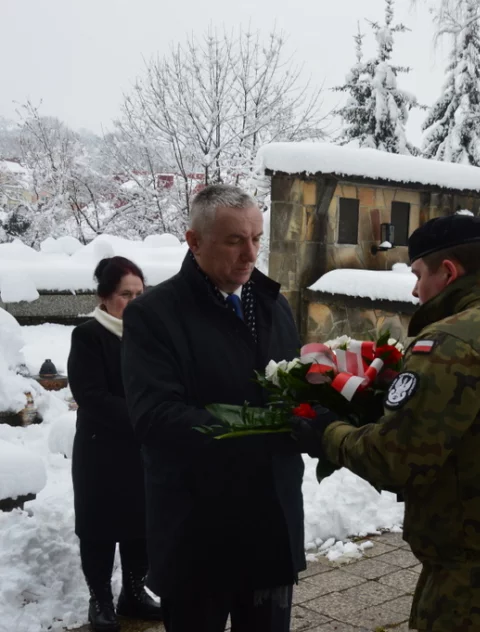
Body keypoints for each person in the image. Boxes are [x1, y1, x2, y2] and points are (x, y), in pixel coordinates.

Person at [293, 215, 480, 632]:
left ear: (447, 272)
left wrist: (325, 432)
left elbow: (396, 459)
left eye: (417, 274)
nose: (414, 289)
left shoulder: (451, 343)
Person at [122, 184, 305, 632]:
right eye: (234, 240)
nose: (250, 254)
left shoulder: (274, 305)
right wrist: (259, 430)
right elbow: (155, 416)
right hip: (198, 531)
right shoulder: (154, 313)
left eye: (257, 238)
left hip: (270, 524)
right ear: (194, 241)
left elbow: (293, 389)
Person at [68, 257, 160, 631]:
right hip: (101, 450)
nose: (134, 301)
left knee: (140, 524)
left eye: (140, 293)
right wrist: (145, 414)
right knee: (99, 528)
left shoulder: (150, 335)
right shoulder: (89, 336)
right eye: (125, 294)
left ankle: (135, 593)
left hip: (142, 450)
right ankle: (101, 599)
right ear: (105, 297)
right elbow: (90, 395)